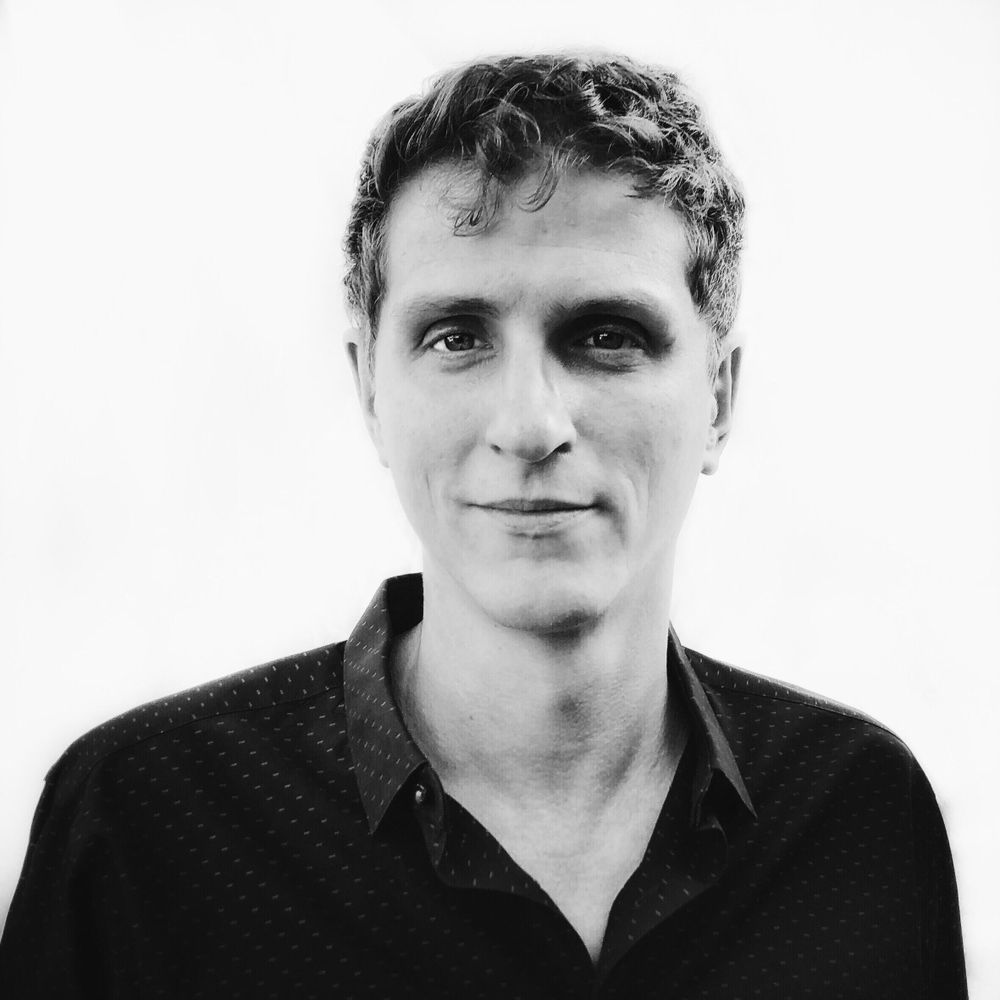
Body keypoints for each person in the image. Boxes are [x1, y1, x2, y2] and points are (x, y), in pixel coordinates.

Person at [0, 53, 966, 999]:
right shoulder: (142, 829)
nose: (531, 424)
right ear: (370, 392)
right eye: (457, 337)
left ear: (719, 397)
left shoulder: (861, 814)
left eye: (606, 335)